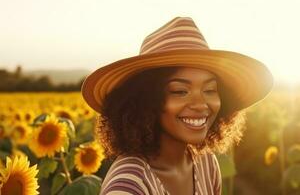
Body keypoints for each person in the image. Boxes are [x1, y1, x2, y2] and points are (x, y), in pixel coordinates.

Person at [81, 17, 273, 195]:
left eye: (210, 90)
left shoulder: (206, 164)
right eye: (180, 91)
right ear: (145, 101)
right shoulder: (127, 186)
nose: (200, 105)